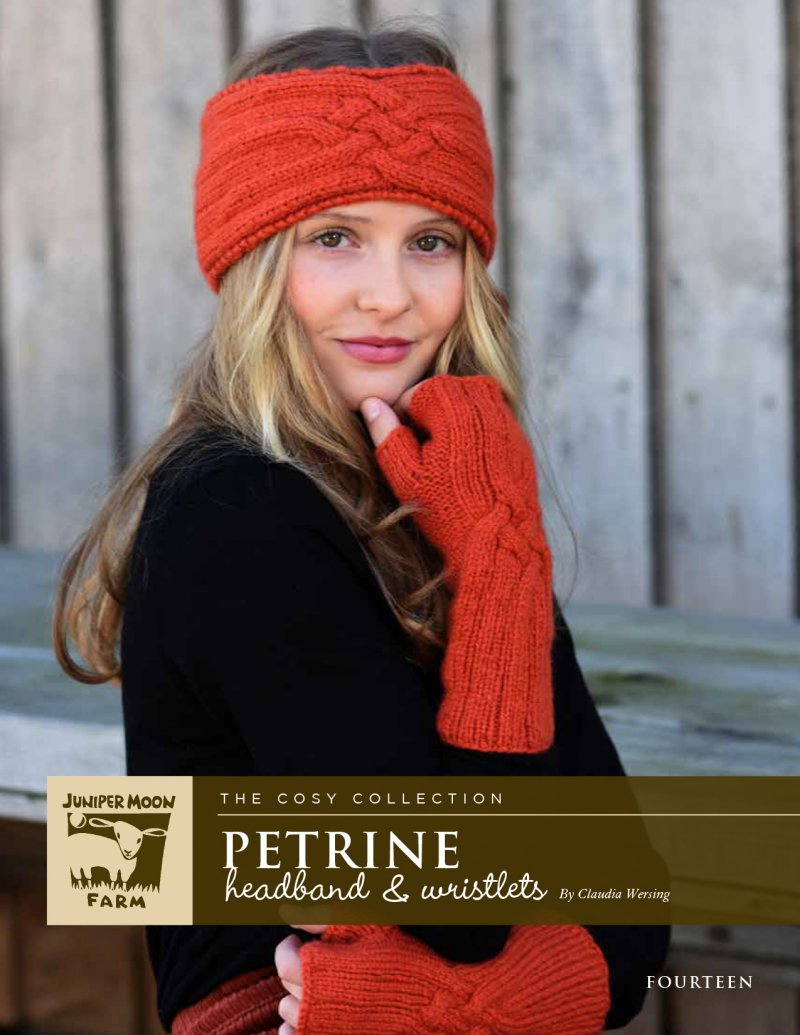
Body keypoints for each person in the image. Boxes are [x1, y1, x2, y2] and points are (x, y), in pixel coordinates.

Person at [53, 22, 671, 1035]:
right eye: (333, 237)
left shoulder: (453, 498)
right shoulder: (237, 510)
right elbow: (463, 904)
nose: (388, 295)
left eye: (430, 241)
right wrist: (501, 570)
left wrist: (477, 997)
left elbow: (633, 917)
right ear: (253, 260)